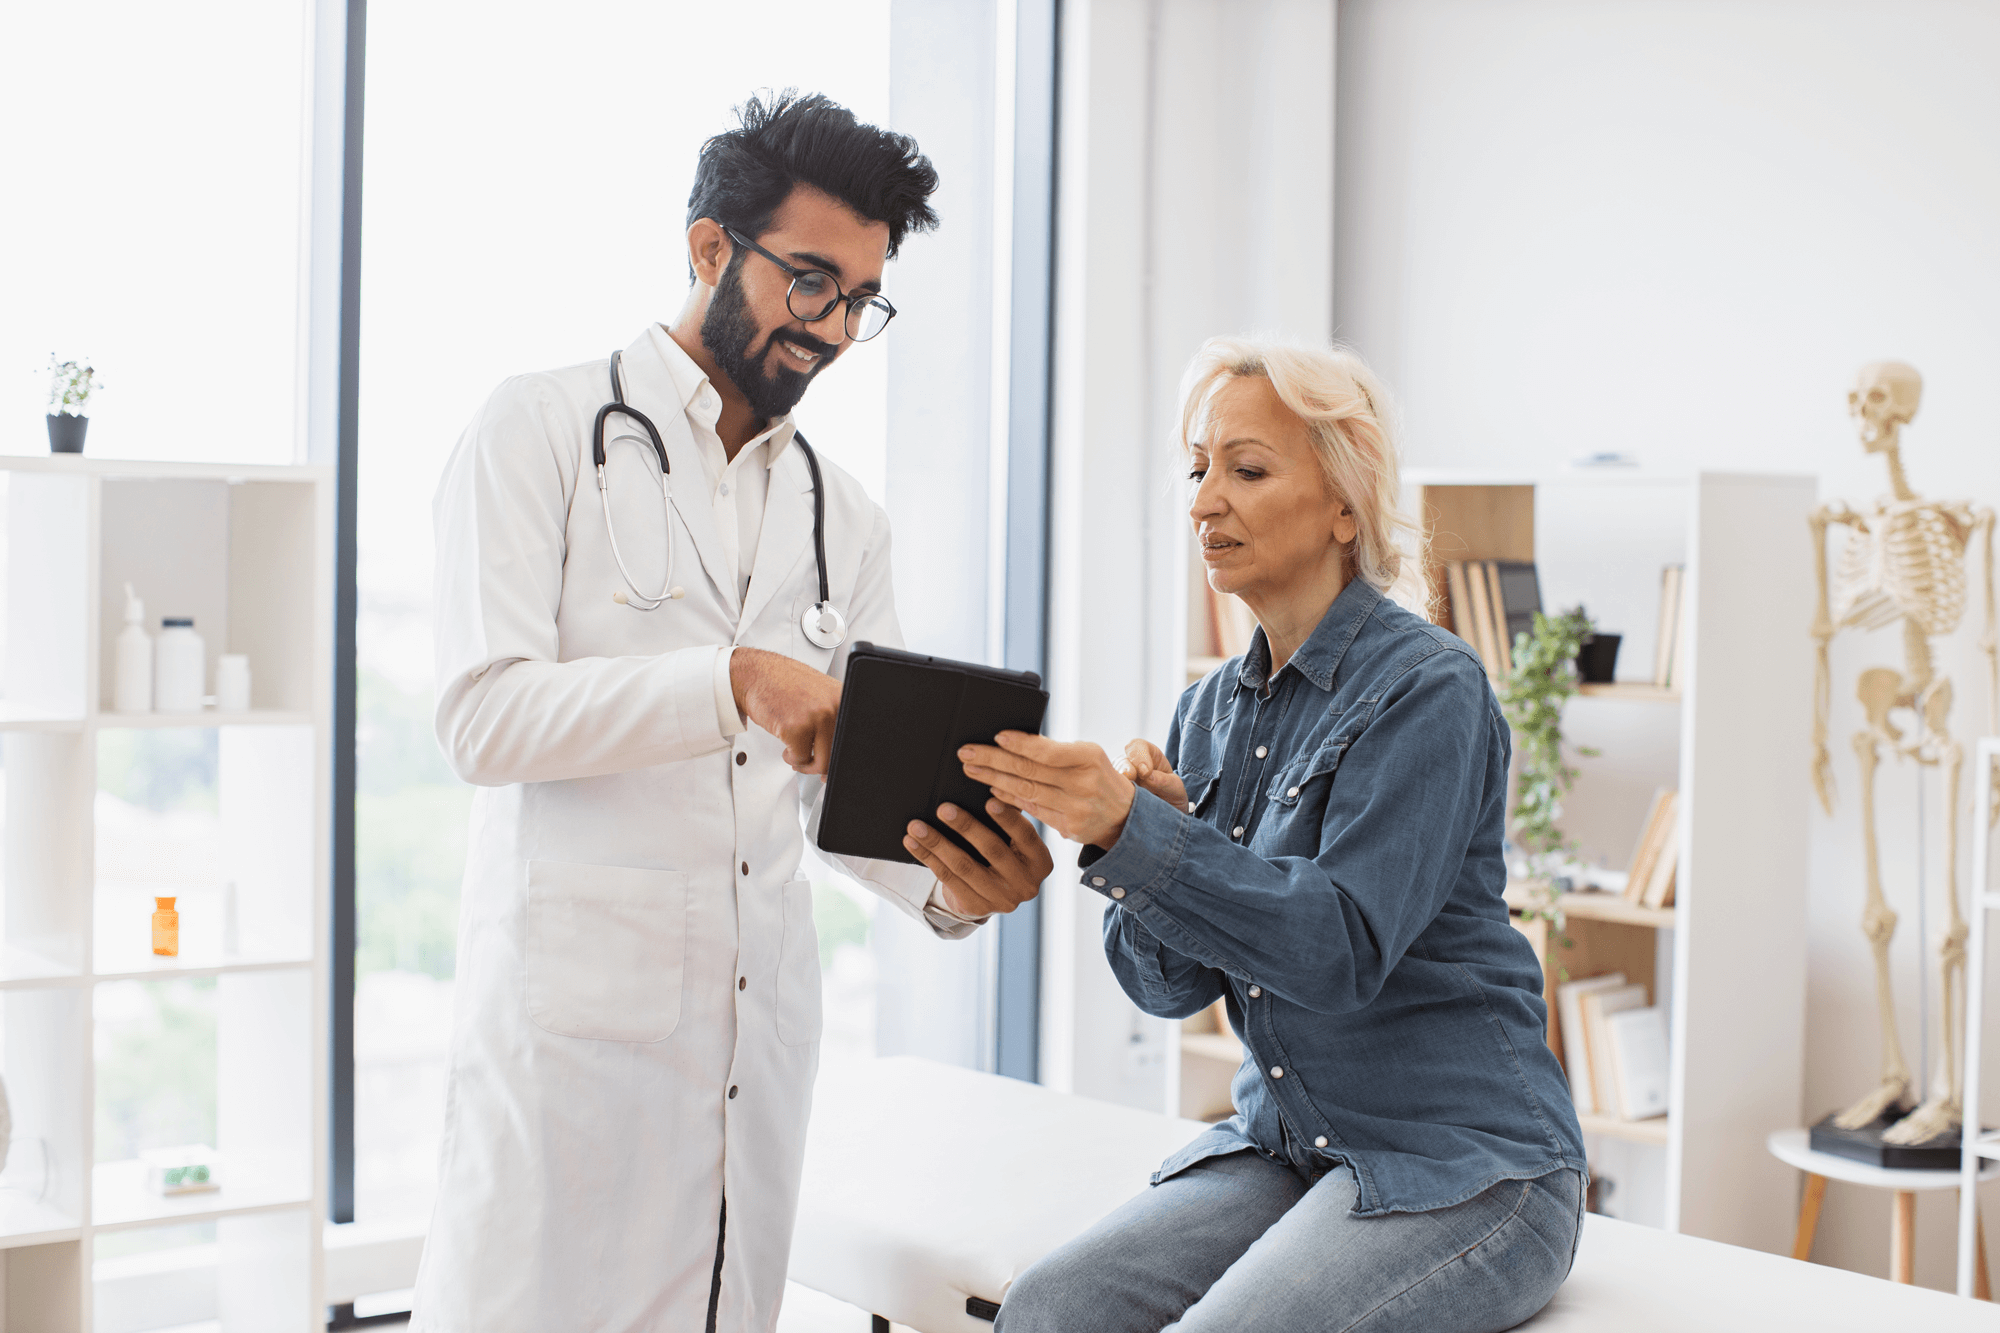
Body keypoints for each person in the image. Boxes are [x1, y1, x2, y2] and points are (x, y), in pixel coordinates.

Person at [413, 92, 1053, 1333]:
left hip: (756, 1048)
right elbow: (482, 720)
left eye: (861, 299)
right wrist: (734, 681)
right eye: (810, 281)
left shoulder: (841, 514)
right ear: (710, 248)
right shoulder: (538, 428)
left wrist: (952, 881)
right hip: (570, 1045)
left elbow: (838, 781)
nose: (832, 327)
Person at [969, 337, 1586, 1332]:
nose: (1204, 500)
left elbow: (1335, 952)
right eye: (1198, 469)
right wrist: (1143, 845)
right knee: (1051, 1307)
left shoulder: (1430, 687)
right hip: (1292, 1147)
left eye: (1246, 469)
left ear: (1345, 503)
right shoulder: (1206, 710)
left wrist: (1138, 833)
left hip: (1467, 1162)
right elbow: (1167, 988)